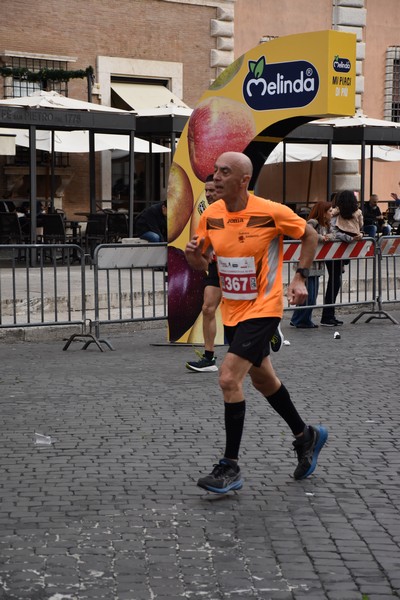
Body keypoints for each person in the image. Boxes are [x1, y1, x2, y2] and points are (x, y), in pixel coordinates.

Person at [185, 151, 328, 494]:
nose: (216, 177)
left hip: (264, 310)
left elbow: (310, 235)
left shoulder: (270, 211)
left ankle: (229, 466)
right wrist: (193, 255)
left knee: (228, 378)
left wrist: (300, 278)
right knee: (265, 382)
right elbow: (203, 263)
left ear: (243, 180)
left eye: (224, 172)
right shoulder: (213, 215)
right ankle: (305, 436)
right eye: (215, 170)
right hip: (233, 312)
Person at [186, 175, 222, 372]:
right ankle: (209, 358)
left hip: (240, 266)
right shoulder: (207, 214)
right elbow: (204, 244)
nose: (208, 194)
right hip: (217, 266)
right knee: (208, 308)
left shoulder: (235, 208)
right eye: (206, 191)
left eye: (212, 191)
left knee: (244, 313)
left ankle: (270, 329)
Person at [320, 189, 363, 327]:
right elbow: (334, 232)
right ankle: (327, 316)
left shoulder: (342, 214)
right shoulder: (335, 214)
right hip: (332, 252)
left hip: (336, 252)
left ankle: (329, 315)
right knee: (334, 282)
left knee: (335, 281)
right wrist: (350, 238)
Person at [290, 201, 334, 328]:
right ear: (323, 212)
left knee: (312, 295)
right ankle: (301, 320)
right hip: (309, 264)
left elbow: (333, 234)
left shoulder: (327, 224)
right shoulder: (313, 222)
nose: (332, 213)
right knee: (309, 296)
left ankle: (299, 319)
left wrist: (327, 237)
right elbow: (306, 234)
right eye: (330, 211)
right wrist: (321, 237)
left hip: (317, 265)